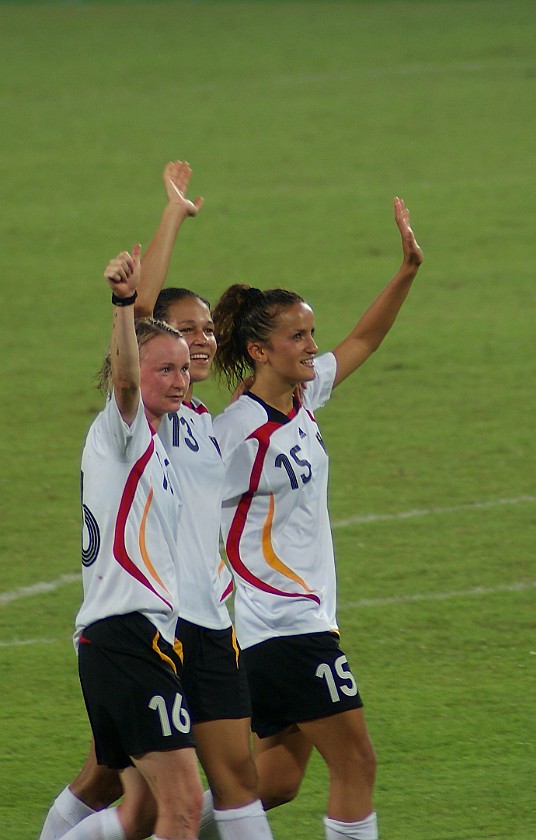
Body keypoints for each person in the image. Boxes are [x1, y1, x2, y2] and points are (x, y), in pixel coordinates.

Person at [39, 163, 274, 840]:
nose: (196, 345)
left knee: (152, 799)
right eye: (181, 337)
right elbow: (135, 337)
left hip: (186, 624)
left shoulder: (200, 421)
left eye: (205, 333)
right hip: (139, 627)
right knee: (148, 794)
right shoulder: (138, 423)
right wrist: (166, 225)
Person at [210, 197, 423, 840]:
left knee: (274, 783)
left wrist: (407, 270)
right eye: (297, 336)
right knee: (357, 762)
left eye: (310, 332)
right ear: (259, 350)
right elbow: (181, 506)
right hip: (282, 620)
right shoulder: (237, 435)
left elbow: (362, 339)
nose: (312, 345)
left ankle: (156, 828)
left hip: (291, 619)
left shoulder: (301, 394)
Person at [73, 244, 202, 840]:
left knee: (144, 811)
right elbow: (126, 376)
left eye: (183, 368)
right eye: (165, 370)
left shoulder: (152, 443)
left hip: (133, 639)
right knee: (181, 806)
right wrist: (124, 303)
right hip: (126, 638)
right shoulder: (120, 431)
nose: (179, 381)